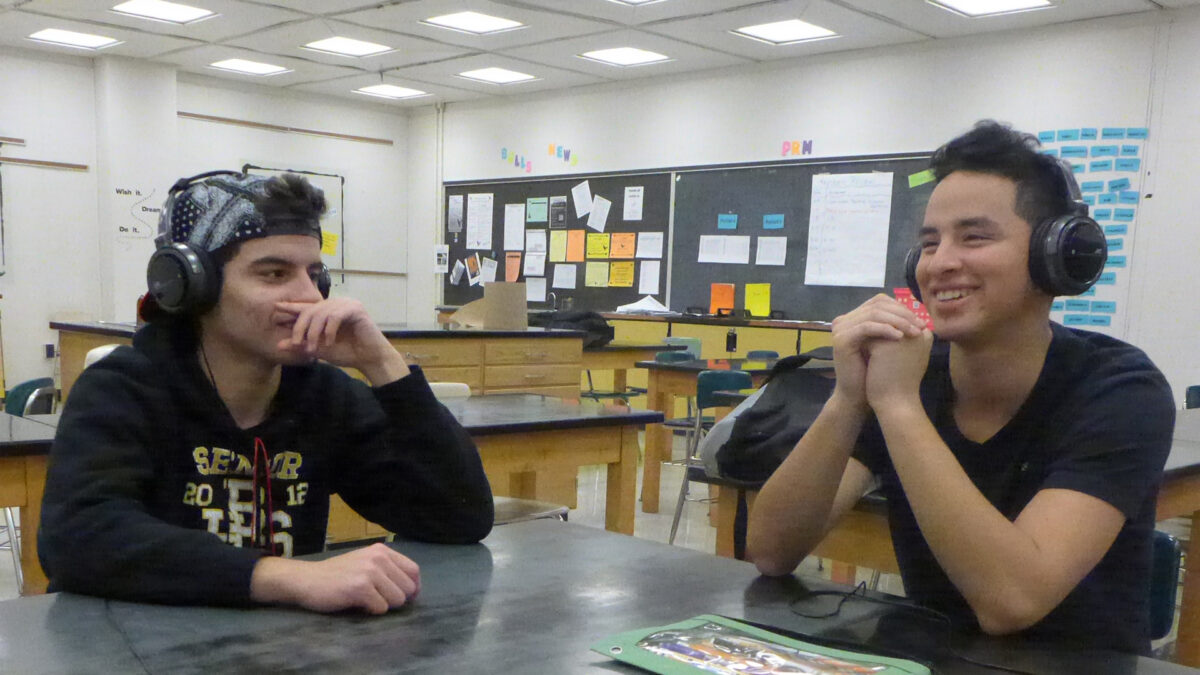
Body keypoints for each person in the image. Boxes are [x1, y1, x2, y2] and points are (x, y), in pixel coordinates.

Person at [746, 121, 1174, 654]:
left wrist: (899, 407)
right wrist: (849, 398)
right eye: (929, 243)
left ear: (1057, 256)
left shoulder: (1120, 390)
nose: (941, 262)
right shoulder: (912, 377)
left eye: (974, 237)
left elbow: (1011, 602)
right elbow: (770, 550)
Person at [39, 171, 494, 614]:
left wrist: (383, 364)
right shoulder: (122, 389)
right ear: (192, 288)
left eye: (314, 274)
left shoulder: (324, 398)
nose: (309, 297)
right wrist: (289, 578)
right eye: (274, 274)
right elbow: (79, 538)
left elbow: (458, 518)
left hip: (276, 652)